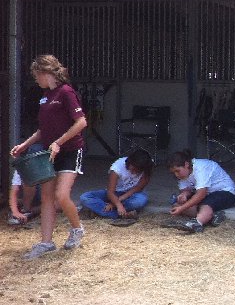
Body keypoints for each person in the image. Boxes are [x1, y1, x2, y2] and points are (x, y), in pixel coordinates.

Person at [10, 55, 88, 259]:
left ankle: (77, 229)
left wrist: (58, 143)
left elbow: (81, 123)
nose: (36, 80)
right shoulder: (45, 96)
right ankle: (46, 242)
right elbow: (44, 129)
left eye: (37, 75)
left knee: (61, 195)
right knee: (46, 197)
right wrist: (25, 144)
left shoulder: (66, 92)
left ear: (46, 73)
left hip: (70, 151)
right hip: (48, 153)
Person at [167, 149, 235, 233]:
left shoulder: (201, 167)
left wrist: (182, 208)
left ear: (186, 164)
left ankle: (197, 223)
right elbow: (186, 190)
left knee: (204, 204)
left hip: (225, 192)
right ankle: (211, 217)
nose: (176, 175)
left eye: (177, 171)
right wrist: (184, 195)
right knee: (176, 205)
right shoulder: (183, 174)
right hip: (207, 194)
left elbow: (201, 194)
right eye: (173, 172)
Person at [79, 149, 153, 220]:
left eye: (138, 171)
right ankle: (123, 215)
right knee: (85, 197)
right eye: (133, 169)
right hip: (115, 193)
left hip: (132, 194)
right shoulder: (117, 167)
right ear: (130, 162)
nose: (134, 172)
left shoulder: (147, 167)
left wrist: (114, 204)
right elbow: (110, 192)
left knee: (139, 202)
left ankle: (101, 212)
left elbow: (138, 188)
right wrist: (118, 204)